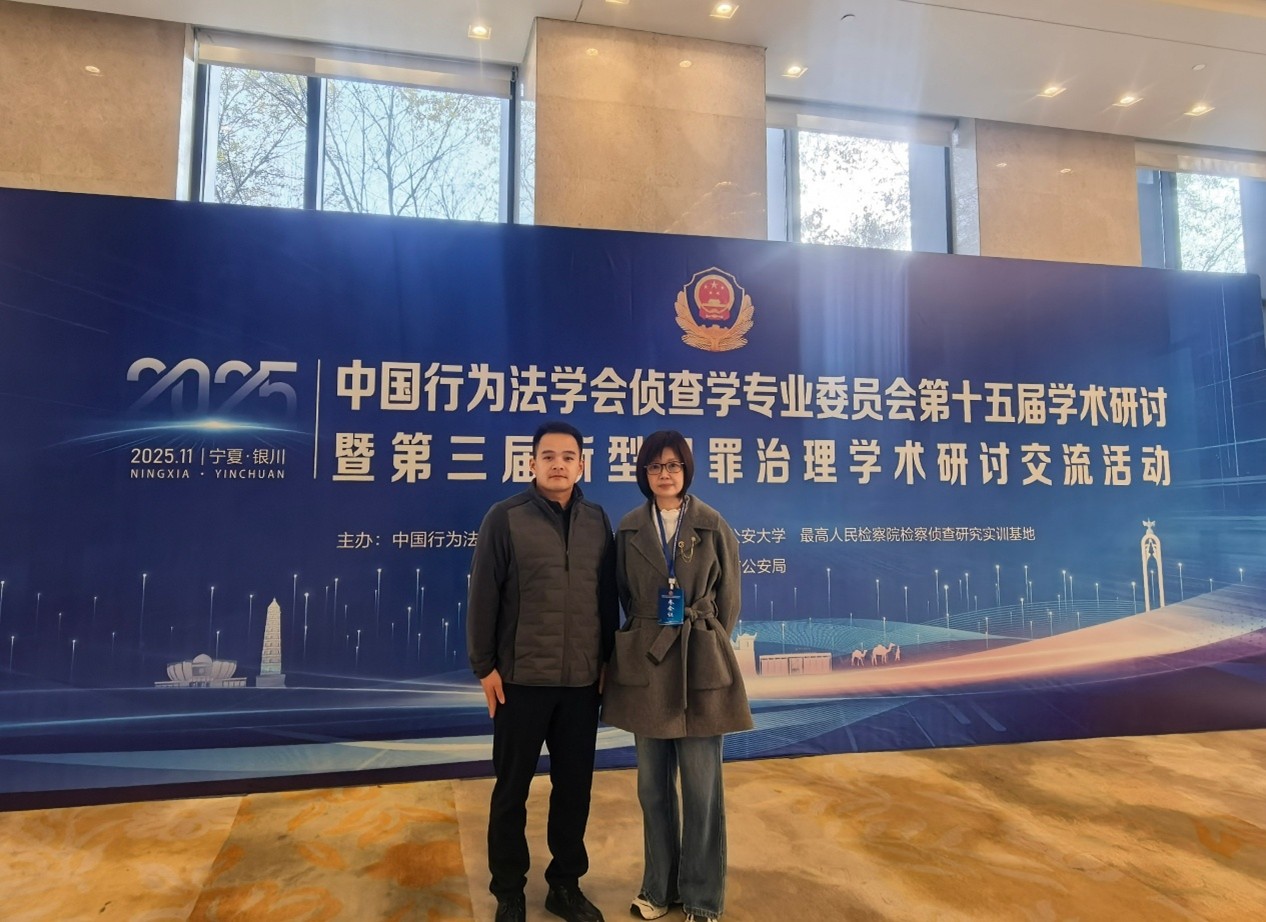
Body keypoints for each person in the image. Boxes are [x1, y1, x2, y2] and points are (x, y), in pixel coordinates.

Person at [467, 421, 618, 922]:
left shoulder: (597, 520)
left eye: (568, 457)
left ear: (582, 465)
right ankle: (509, 890)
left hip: (580, 684)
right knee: (511, 790)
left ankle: (565, 885)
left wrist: (606, 661)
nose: (558, 464)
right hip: (520, 681)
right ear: (531, 463)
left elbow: (605, 599)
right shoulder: (505, 517)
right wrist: (485, 666)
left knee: (574, 789)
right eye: (548, 456)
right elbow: (483, 595)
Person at [601, 430, 753, 922]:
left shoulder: (712, 524)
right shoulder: (629, 528)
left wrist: (706, 638)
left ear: (686, 470)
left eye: (673, 465)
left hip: (699, 660)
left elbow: (729, 600)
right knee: (652, 788)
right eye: (654, 466)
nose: (664, 474)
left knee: (702, 789)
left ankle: (703, 898)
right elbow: (624, 594)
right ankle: (658, 888)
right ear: (643, 473)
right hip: (648, 664)